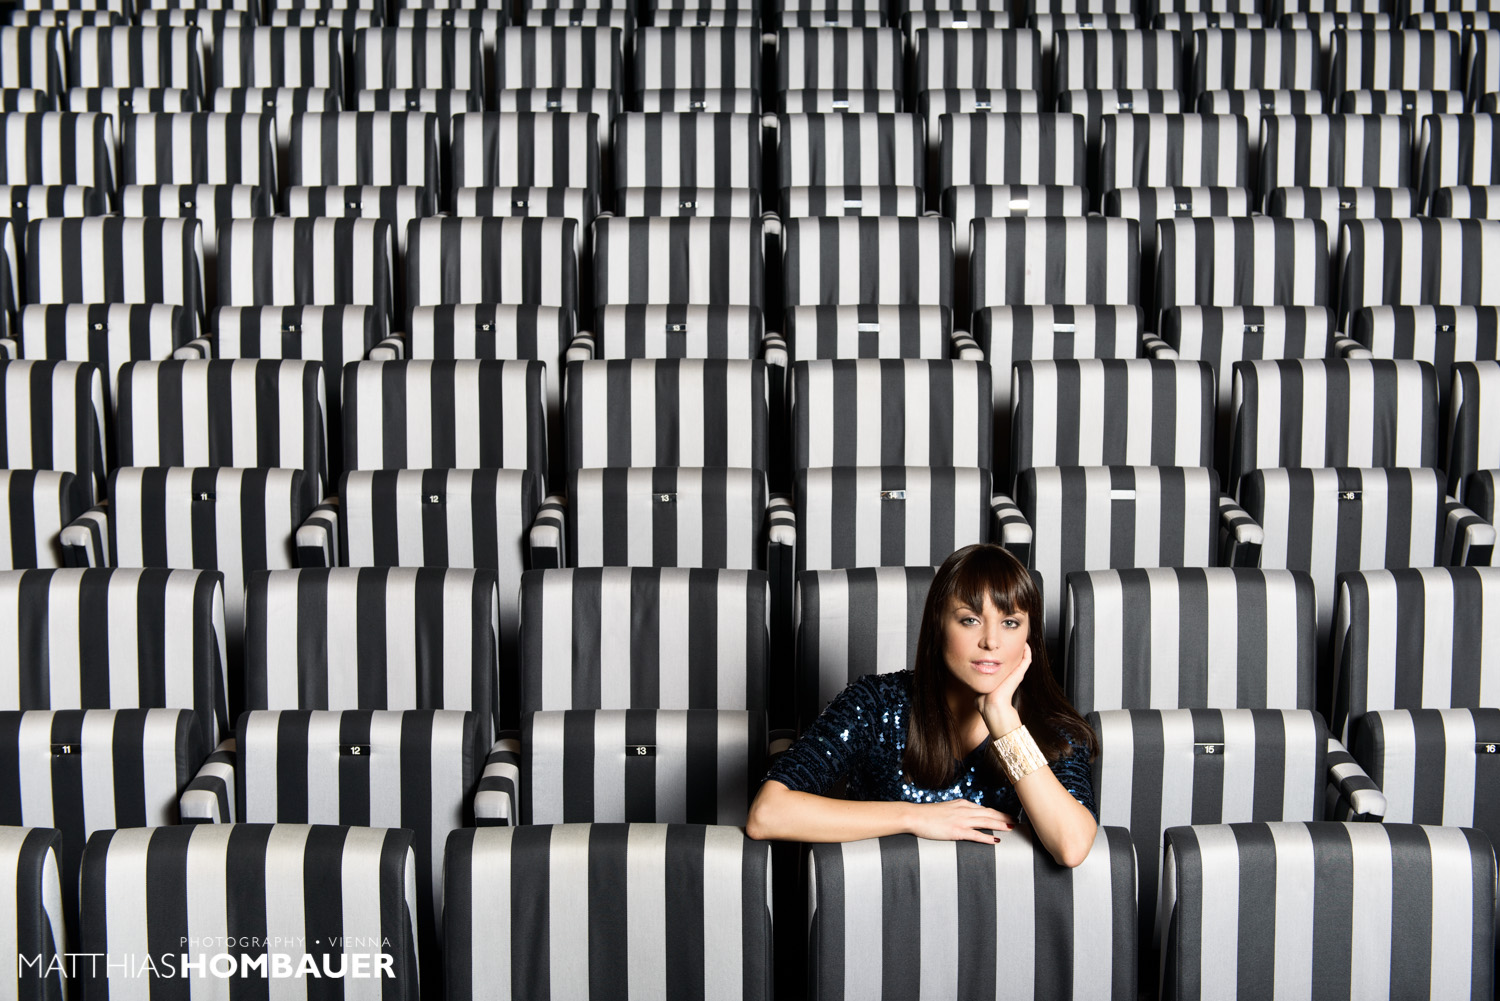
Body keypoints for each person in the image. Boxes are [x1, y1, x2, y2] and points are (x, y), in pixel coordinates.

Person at [745, 543, 1099, 867]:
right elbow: (767, 814)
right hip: (878, 904)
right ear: (938, 626)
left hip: (987, 913)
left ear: (1028, 635)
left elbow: (1071, 846)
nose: (991, 641)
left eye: (1010, 622)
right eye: (970, 620)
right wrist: (915, 818)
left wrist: (1003, 718)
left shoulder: (1051, 725)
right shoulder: (876, 702)